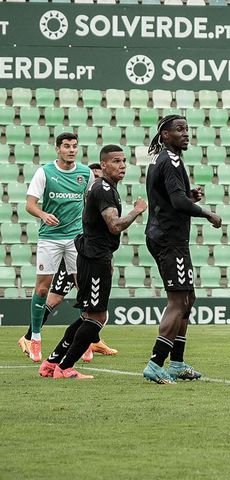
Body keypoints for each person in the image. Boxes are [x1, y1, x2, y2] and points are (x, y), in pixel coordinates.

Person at [39, 146, 146, 379]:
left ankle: (50, 363)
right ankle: (65, 368)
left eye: (124, 161)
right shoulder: (103, 189)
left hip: (94, 255)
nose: (122, 165)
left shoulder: (108, 189)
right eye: (116, 161)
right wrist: (137, 211)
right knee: (97, 317)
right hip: (95, 258)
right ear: (103, 165)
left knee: (89, 316)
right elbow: (114, 225)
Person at [142, 115, 222, 384]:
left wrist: (190, 197)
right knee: (178, 301)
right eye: (179, 130)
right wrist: (207, 213)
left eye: (187, 129)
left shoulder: (161, 158)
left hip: (167, 236)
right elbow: (176, 202)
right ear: (165, 135)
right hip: (169, 238)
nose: (186, 133)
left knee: (188, 299)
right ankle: (156, 363)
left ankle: (176, 362)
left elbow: (171, 197)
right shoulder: (171, 159)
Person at [18, 162, 118, 361]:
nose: (97, 180)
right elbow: (30, 204)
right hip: (57, 243)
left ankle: (91, 340)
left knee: (81, 291)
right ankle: (31, 337)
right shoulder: (49, 174)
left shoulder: (96, 193)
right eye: (95, 175)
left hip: (77, 243)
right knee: (53, 296)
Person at [23, 132, 92, 362]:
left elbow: (92, 202)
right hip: (50, 237)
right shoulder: (45, 172)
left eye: (74, 146)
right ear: (57, 149)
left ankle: (85, 339)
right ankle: (34, 336)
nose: (71, 150)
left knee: (83, 287)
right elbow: (30, 204)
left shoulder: (86, 173)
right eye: (66, 146)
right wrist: (43, 214)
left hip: (76, 238)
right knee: (43, 289)